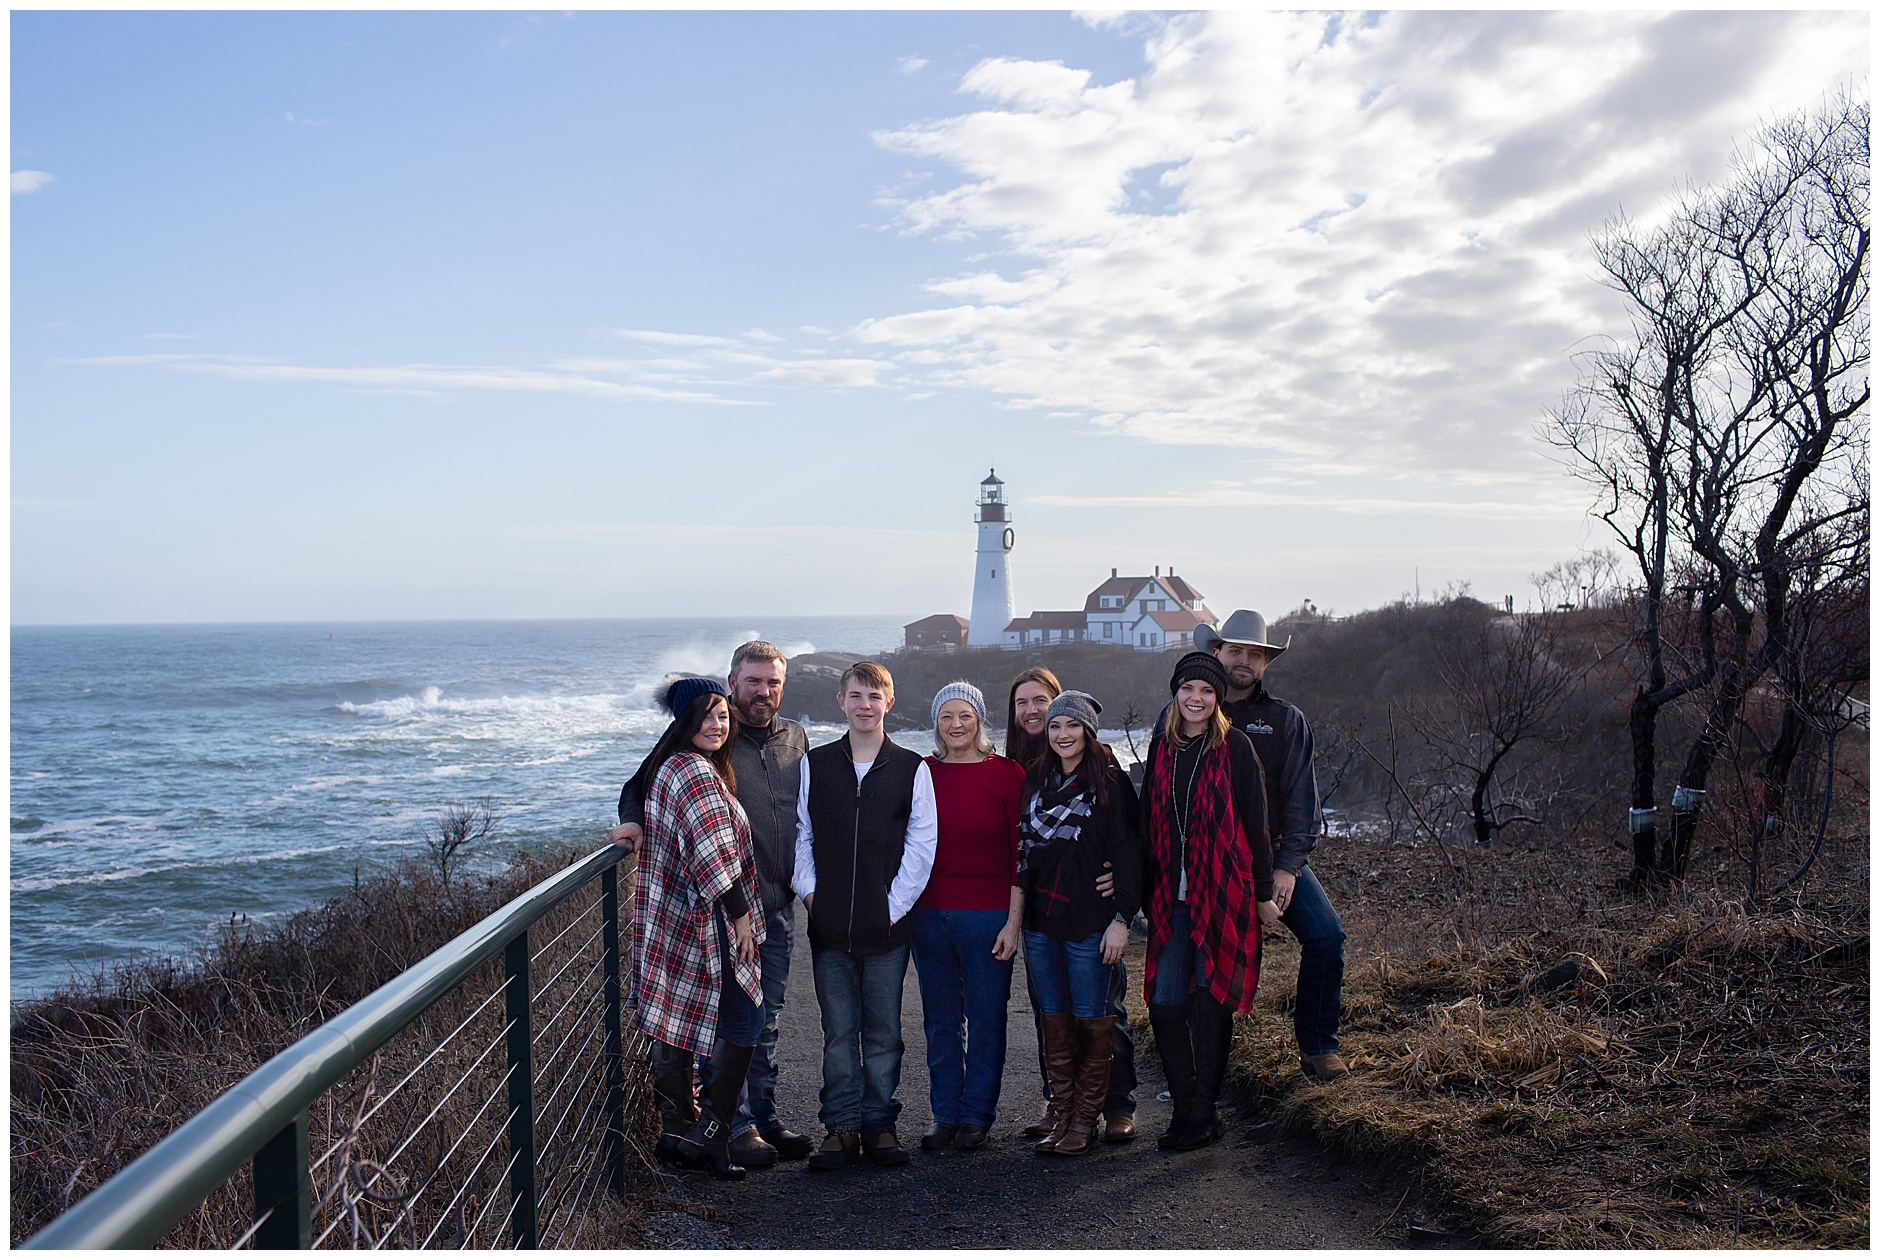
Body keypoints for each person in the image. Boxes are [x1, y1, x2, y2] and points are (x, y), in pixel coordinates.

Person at [613, 641, 815, 1168]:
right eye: (752, 682)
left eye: (772, 682)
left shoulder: (794, 738)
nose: (762, 692)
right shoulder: (696, 751)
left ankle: (760, 1119)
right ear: (732, 680)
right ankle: (730, 1128)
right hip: (724, 916)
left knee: (763, 1020)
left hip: (775, 903)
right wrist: (633, 820)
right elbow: (643, 782)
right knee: (725, 1021)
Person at [792, 661, 937, 1170]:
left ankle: (879, 1125)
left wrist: (891, 908)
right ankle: (841, 1127)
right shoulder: (817, 764)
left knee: (884, 1031)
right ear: (841, 701)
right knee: (837, 1031)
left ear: (889, 703)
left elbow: (923, 844)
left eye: (874, 696)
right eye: (855, 695)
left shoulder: (911, 767)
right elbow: (801, 836)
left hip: (888, 928)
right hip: (828, 926)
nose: (864, 705)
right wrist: (811, 896)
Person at [1199, 610, 1350, 1083]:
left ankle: (1319, 1046)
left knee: (1326, 937)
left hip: (1273, 858)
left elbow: (1304, 803)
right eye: (1235, 650)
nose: (1244, 661)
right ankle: (1204, 1072)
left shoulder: (1285, 719)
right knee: (1206, 959)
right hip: (1209, 862)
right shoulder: (1191, 713)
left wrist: (1287, 868)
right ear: (1217, 652)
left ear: (1265, 662)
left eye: (1255, 653)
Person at [1141, 651, 1280, 1151]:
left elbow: (1255, 827)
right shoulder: (1162, 749)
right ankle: (1184, 1106)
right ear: (1175, 693)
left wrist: (1263, 894)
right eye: (1187, 689)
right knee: (1164, 1003)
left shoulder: (1236, 748)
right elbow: (1145, 826)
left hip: (1224, 894)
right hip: (1171, 900)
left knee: (1214, 1002)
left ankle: (1203, 1113)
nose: (1195, 698)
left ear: (1217, 698)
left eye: (1206, 691)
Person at [629, 674, 766, 1179]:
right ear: (685, 720)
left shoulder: (670, 767)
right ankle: (711, 1136)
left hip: (677, 921)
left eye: (723, 715)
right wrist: (743, 917)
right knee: (746, 1018)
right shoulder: (695, 772)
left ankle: (680, 1133)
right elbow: (712, 857)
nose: (717, 724)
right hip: (707, 923)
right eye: (706, 715)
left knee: (684, 1021)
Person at [1005, 668, 1142, 1144]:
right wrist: (1015, 922)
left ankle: (1090, 1120)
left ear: (1088, 731)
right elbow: (1024, 854)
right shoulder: (1037, 780)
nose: (1062, 733)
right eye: (1056, 725)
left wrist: (1123, 919)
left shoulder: (1110, 783)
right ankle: (1063, 1115)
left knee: (1096, 1020)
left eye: (1072, 725)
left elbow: (1129, 853)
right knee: (1055, 1021)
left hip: (1089, 921)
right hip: (1043, 922)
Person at [910, 682, 1026, 1153]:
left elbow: (1023, 853)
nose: (956, 725)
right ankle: (945, 1115)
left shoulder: (1007, 774)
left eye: (965, 716)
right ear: (935, 724)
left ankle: (977, 1115)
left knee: (985, 1017)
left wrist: (1013, 922)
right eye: (946, 717)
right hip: (928, 913)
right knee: (939, 1020)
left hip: (989, 914)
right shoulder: (921, 772)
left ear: (980, 720)